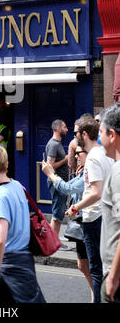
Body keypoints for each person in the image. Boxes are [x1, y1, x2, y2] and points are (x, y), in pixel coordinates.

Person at [0, 142, 45, 303]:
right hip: (23, 259)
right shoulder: (18, 186)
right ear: (7, 164)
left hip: (9, 264)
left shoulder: (0, 197)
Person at [66, 116, 113, 303]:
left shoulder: (93, 158)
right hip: (105, 216)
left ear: (84, 134)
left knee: (96, 269)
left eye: (76, 132)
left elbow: (95, 192)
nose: (75, 136)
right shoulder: (105, 153)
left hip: (94, 218)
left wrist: (75, 207)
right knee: (105, 267)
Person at [42, 145, 94, 301]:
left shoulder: (90, 171)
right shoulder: (83, 170)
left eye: (79, 153)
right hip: (81, 220)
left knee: (93, 267)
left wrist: (51, 174)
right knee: (82, 265)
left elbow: (67, 188)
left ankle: (97, 296)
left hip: (89, 222)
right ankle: (95, 294)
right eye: (75, 153)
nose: (77, 156)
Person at [98, 103, 120, 303]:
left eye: (101, 133)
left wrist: (113, 275)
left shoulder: (118, 171)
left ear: (112, 135)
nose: (99, 139)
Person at [45, 119, 69, 238]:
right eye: (64, 127)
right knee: (57, 214)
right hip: (56, 183)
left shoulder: (56, 143)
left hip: (60, 183)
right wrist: (66, 159)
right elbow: (50, 166)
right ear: (58, 128)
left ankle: (52, 240)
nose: (67, 129)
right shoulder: (54, 144)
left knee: (58, 213)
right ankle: (54, 242)